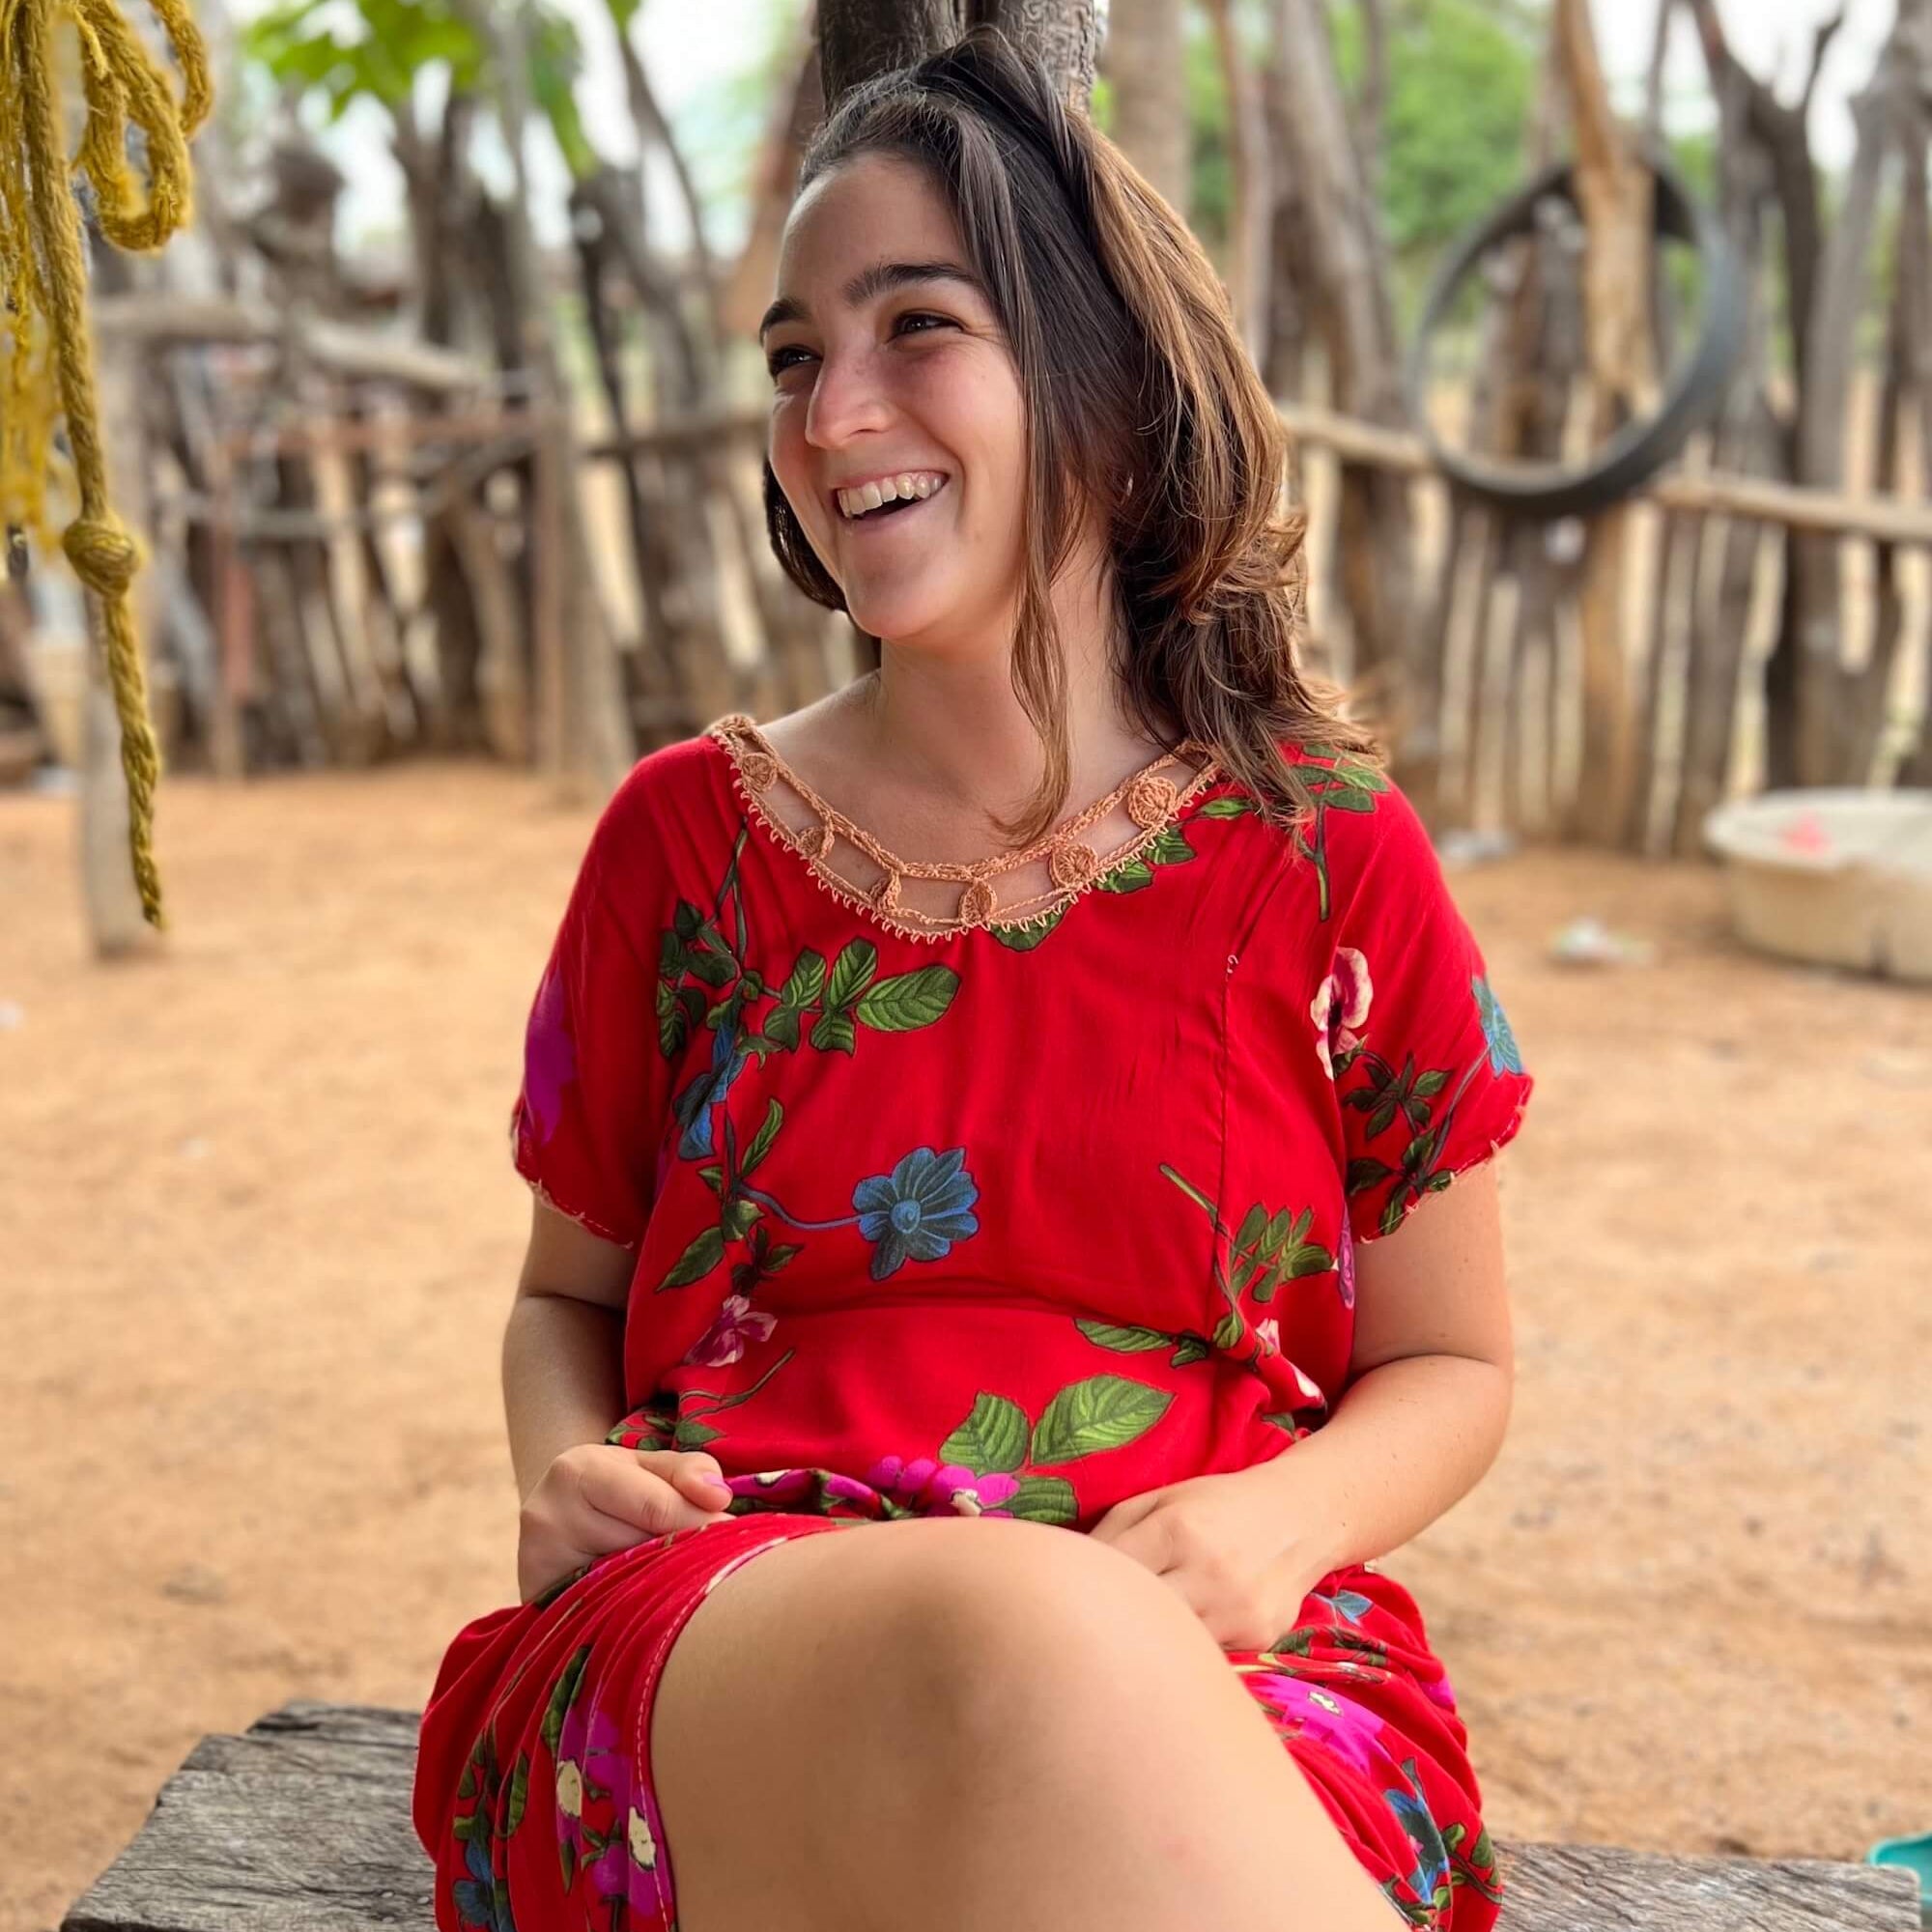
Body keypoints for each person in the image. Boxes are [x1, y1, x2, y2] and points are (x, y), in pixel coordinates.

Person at [412, 27, 1532, 1932]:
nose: (829, 411)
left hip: (1245, 1667)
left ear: (1097, 380)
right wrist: (569, 1473)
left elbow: (1454, 1360)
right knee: (1003, 1642)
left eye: (914, 326)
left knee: (1065, 1687)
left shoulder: (1332, 857)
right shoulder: (683, 848)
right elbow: (562, 1302)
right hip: (722, 1645)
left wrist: (1283, 1521)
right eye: (789, 356)